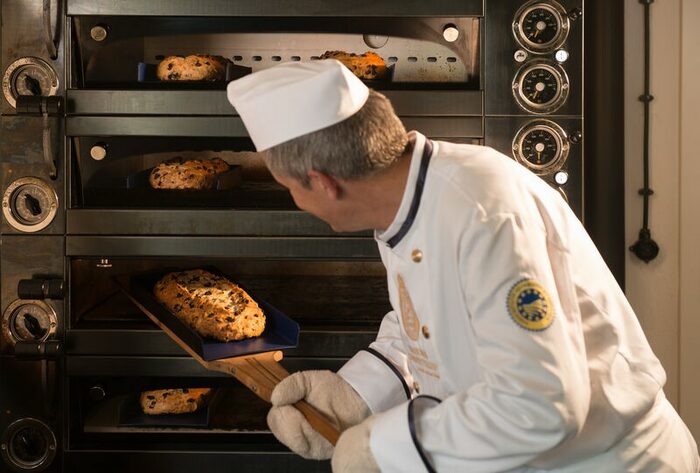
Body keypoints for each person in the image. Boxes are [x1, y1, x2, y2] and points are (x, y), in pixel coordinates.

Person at [226, 59, 699, 473]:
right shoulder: (409, 195)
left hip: (608, 462)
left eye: (290, 187)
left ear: (323, 183)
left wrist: (386, 446)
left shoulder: (481, 212)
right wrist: (356, 394)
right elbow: (432, 319)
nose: (297, 201)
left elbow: (540, 403)